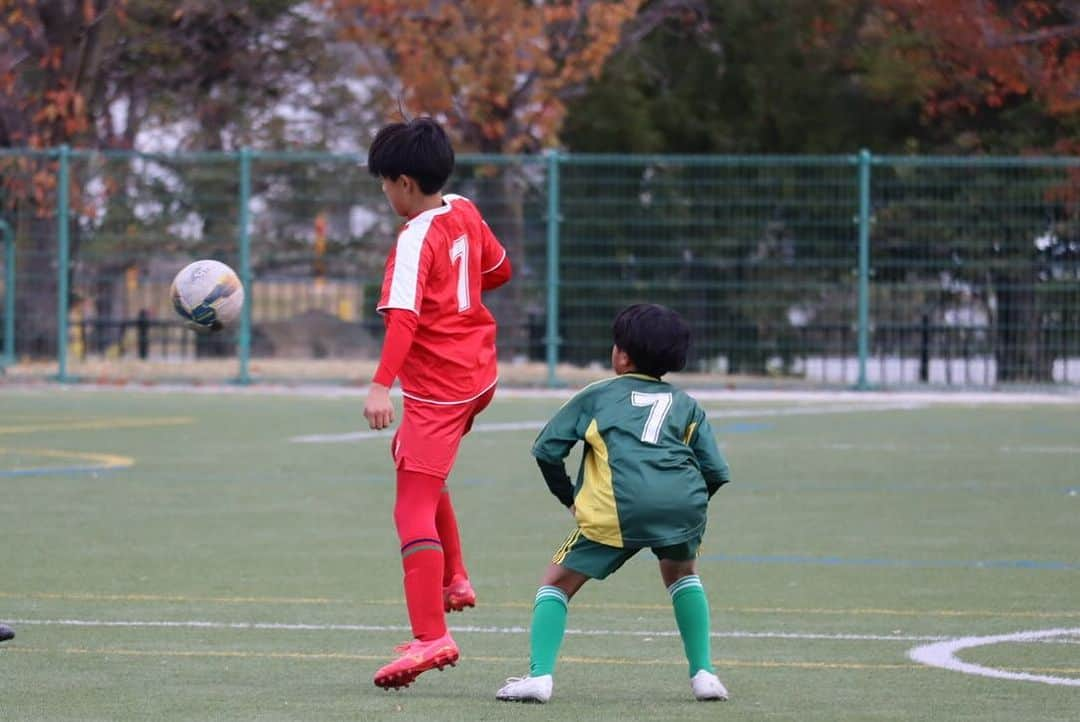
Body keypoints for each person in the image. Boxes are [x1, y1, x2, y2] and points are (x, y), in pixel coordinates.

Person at [496, 303, 732, 704]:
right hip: (681, 508)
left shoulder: (598, 396)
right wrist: (684, 509)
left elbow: (547, 451)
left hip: (616, 511)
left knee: (555, 584)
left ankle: (539, 677)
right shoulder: (686, 404)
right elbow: (716, 471)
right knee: (682, 575)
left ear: (621, 355)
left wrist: (569, 499)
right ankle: (705, 674)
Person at [363, 116, 512, 690]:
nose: (384, 193)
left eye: (384, 183)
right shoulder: (464, 210)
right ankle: (454, 579)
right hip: (478, 374)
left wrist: (381, 385)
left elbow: (402, 319)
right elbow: (500, 270)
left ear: (403, 182)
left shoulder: (412, 240)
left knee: (410, 508)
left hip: (440, 387)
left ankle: (432, 636)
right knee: (418, 464)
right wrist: (458, 294)